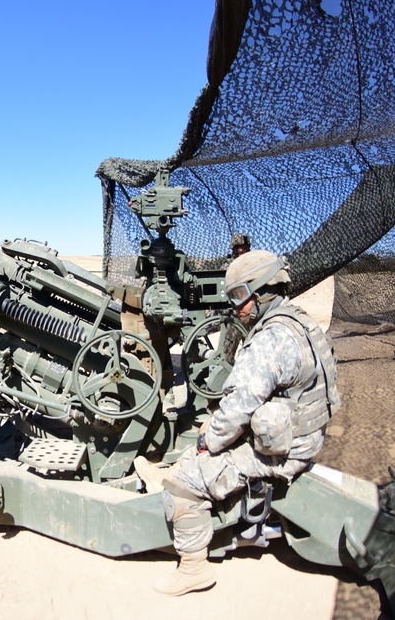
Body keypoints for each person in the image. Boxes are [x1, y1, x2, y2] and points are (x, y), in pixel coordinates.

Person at [134, 250, 339, 595]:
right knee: (206, 435)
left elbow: (236, 411)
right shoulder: (300, 321)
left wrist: (206, 443)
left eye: (239, 297)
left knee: (186, 478)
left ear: (261, 293)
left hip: (284, 451)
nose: (235, 308)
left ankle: (194, 569)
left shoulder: (269, 341)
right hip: (305, 434)